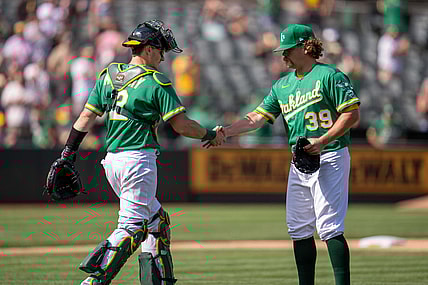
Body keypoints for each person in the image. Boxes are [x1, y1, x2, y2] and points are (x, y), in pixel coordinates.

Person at [56, 20, 222, 285]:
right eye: (161, 50)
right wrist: (210, 135)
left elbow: (87, 115)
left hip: (112, 162)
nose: (163, 56)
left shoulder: (109, 74)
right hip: (138, 160)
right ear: (148, 50)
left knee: (156, 222)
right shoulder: (157, 82)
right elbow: (182, 126)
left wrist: (68, 153)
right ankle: (93, 282)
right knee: (131, 228)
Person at [209, 24, 360, 285]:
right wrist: (226, 131)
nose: (283, 55)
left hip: (330, 154)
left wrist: (323, 140)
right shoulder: (282, 86)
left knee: (329, 227)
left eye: (288, 50)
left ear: (305, 47)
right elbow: (256, 118)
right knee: (298, 227)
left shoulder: (330, 76)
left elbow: (352, 114)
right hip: (300, 160)